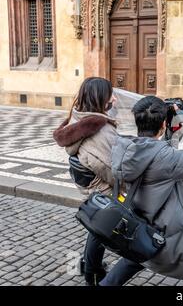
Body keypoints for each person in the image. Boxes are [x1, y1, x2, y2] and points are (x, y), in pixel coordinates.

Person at [99, 96, 183, 286]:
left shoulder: (124, 149)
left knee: (135, 258)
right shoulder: (164, 158)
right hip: (172, 234)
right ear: (163, 124)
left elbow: (158, 152)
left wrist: (171, 129)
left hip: (142, 227)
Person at [53, 77, 117, 286]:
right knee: (103, 230)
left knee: (98, 228)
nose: (114, 99)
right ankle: (92, 272)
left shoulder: (77, 120)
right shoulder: (101, 130)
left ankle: (89, 265)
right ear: (101, 99)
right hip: (103, 188)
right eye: (110, 95)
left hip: (90, 187)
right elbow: (110, 169)